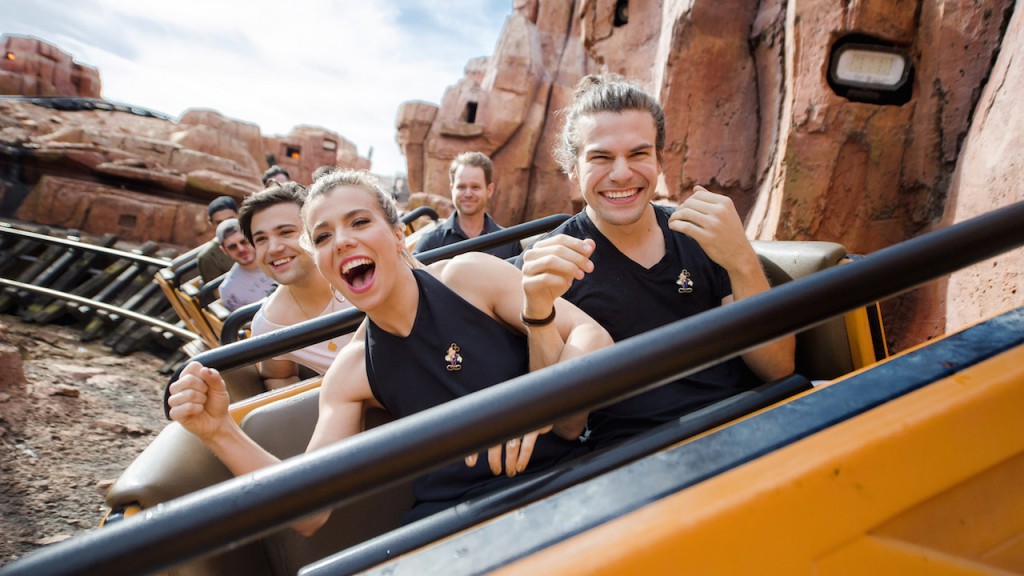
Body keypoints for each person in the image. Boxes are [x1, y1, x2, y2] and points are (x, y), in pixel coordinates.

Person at [167, 169, 612, 529]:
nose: (341, 241)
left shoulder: (468, 277)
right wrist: (219, 432)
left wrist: (534, 401)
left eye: (359, 222)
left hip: (562, 485)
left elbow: (591, 336)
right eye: (322, 237)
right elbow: (309, 512)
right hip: (453, 523)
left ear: (399, 235)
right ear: (321, 262)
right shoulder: (351, 372)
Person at [517, 73, 795, 450]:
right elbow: (564, 426)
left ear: (659, 161)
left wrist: (742, 260)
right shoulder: (554, 260)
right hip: (637, 456)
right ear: (572, 169)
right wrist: (539, 312)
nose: (621, 173)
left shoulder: (698, 234)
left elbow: (778, 367)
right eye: (600, 157)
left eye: (638, 154)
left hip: (748, 423)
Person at [238, 182, 354, 389]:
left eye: (285, 232)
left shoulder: (361, 273)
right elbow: (278, 377)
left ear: (315, 231)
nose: (273, 248)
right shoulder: (270, 324)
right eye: (261, 239)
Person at [412, 152, 521, 259]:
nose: (468, 194)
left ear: (489, 190)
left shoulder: (508, 242)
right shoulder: (430, 243)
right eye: (461, 187)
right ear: (452, 189)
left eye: (475, 187)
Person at [215, 218, 277, 312]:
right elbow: (245, 324)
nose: (241, 249)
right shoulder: (228, 290)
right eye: (232, 247)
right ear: (224, 251)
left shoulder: (279, 256)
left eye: (244, 242)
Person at [196, 196, 239, 283]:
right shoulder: (207, 257)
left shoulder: (255, 238)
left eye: (230, 219)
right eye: (219, 222)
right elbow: (218, 294)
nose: (226, 225)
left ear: (238, 216)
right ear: (211, 224)